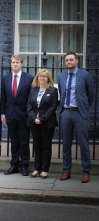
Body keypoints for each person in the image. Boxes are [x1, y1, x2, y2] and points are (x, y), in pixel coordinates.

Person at [58, 51, 94, 183]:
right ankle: (66, 171)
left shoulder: (85, 75)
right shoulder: (61, 76)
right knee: (66, 144)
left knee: (83, 143)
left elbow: (91, 94)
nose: (69, 62)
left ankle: (86, 172)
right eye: (67, 60)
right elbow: (62, 93)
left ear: (77, 61)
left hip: (80, 113)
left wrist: (84, 108)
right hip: (66, 112)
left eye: (71, 60)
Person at [0, 55, 33, 176]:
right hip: (10, 114)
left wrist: (30, 114)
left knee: (24, 141)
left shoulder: (29, 78)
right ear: (11, 64)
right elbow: (3, 97)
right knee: (14, 141)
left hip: (24, 115)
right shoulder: (6, 78)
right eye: (13, 62)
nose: (15, 64)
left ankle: (24, 165)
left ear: (21, 64)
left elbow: (31, 98)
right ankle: (14, 165)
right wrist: (2, 113)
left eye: (17, 62)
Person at [26, 69, 58, 179]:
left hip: (47, 122)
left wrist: (42, 118)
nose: (42, 78)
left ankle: (44, 170)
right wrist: (34, 118)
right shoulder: (33, 90)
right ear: (37, 78)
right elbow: (29, 105)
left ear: (48, 78)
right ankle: (36, 169)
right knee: (37, 147)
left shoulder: (53, 90)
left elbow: (53, 107)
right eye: (40, 76)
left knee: (46, 146)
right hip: (34, 122)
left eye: (44, 76)